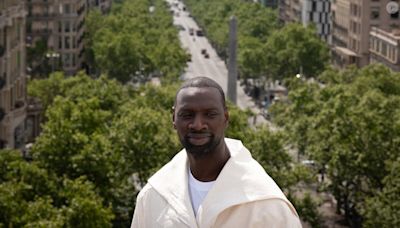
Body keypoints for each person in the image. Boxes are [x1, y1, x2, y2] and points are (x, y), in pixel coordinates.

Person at [131, 77, 302, 227]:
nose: (198, 125)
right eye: (187, 114)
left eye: (210, 114)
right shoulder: (153, 197)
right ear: (174, 119)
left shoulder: (267, 205)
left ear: (226, 118)